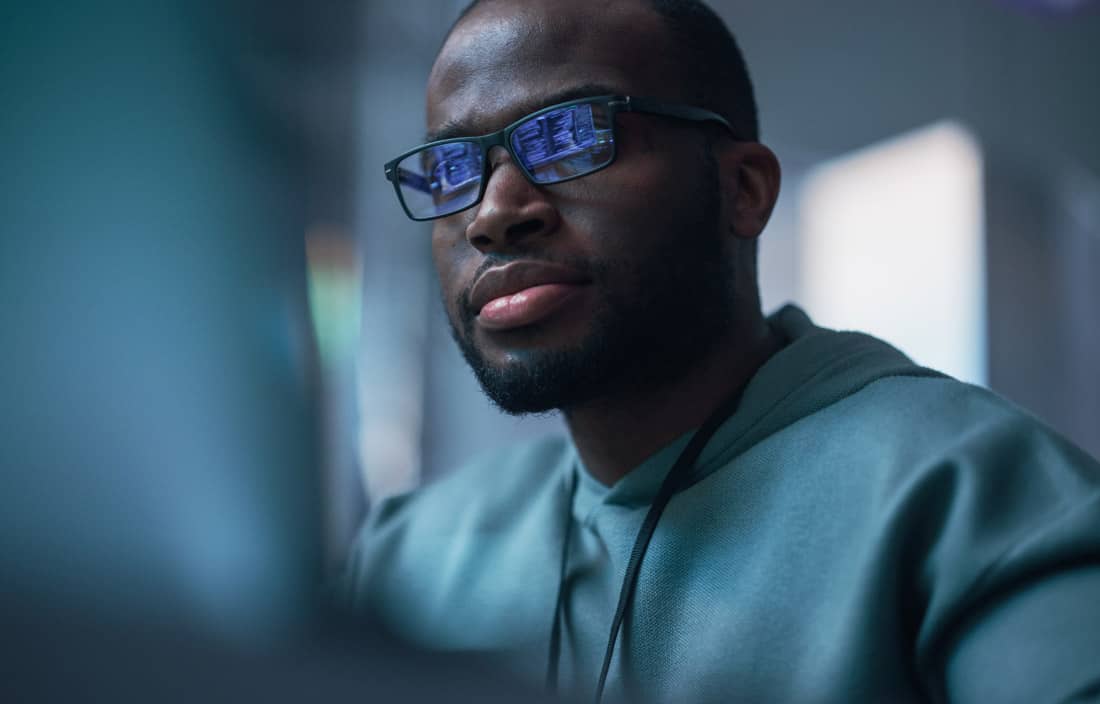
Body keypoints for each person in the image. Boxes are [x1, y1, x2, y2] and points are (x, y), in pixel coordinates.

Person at [343, 0, 1100, 701]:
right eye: (451, 171)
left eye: (572, 136)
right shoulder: (409, 555)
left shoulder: (977, 497)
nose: (493, 214)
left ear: (744, 190)